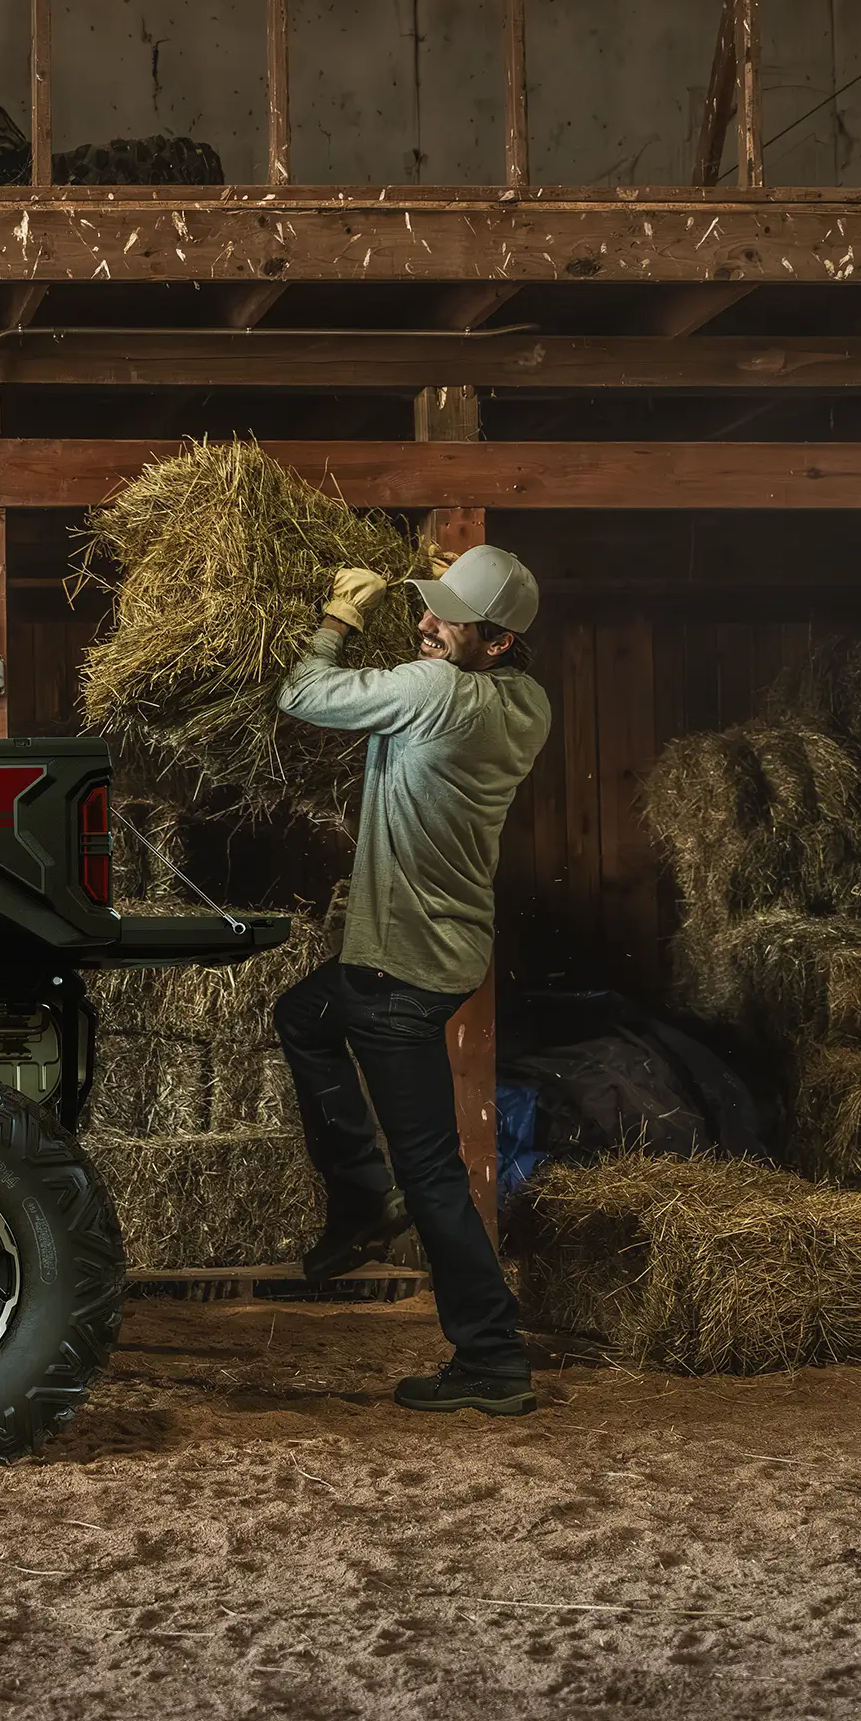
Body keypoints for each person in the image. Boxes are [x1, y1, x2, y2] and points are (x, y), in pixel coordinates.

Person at [275, 541, 552, 1417]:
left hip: (398, 967)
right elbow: (459, 640)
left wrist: (338, 619)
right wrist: (456, 583)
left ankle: (492, 1357)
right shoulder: (527, 702)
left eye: (446, 617)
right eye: (426, 606)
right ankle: (361, 1197)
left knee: (432, 1171)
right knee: (305, 1016)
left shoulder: (436, 693)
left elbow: (301, 694)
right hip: (445, 954)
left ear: (498, 641)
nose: (425, 623)